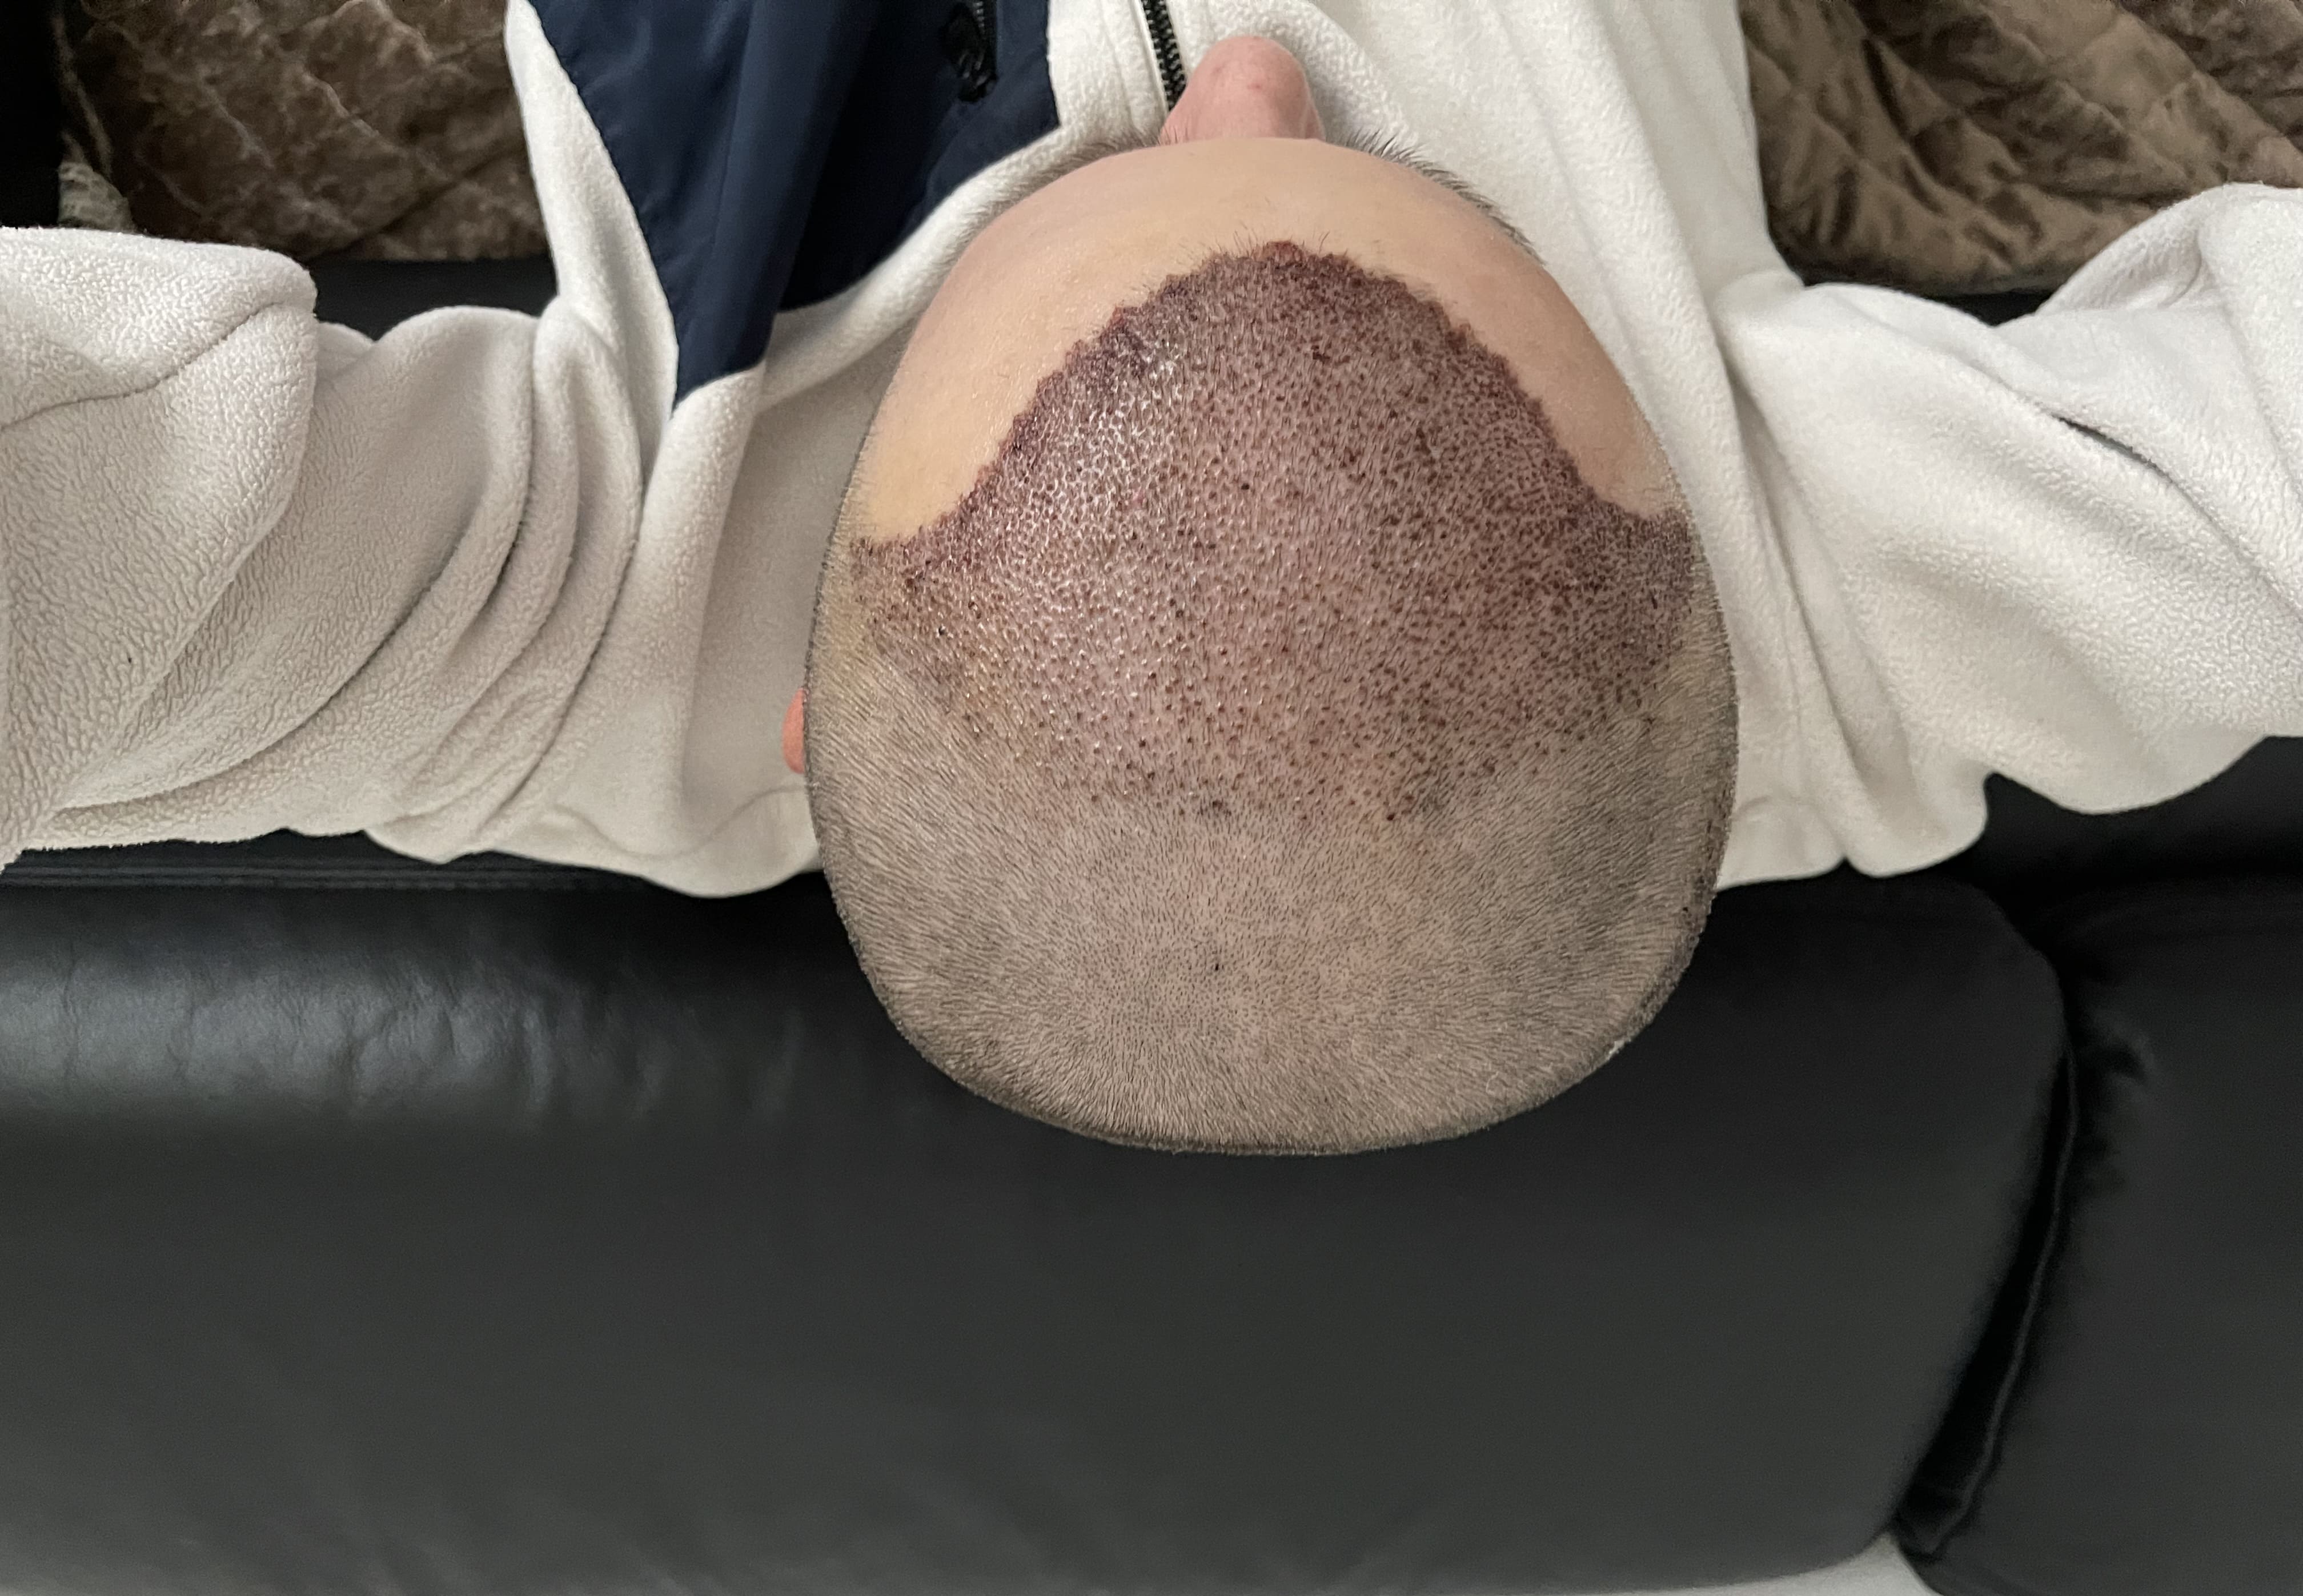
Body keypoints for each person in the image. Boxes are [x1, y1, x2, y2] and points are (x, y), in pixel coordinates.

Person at [2, 2, 2298, 1156]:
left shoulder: (589, 643)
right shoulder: (1825, 620)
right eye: (1430, 199)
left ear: (802, 708)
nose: (1253, 92)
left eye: (1073, 218)